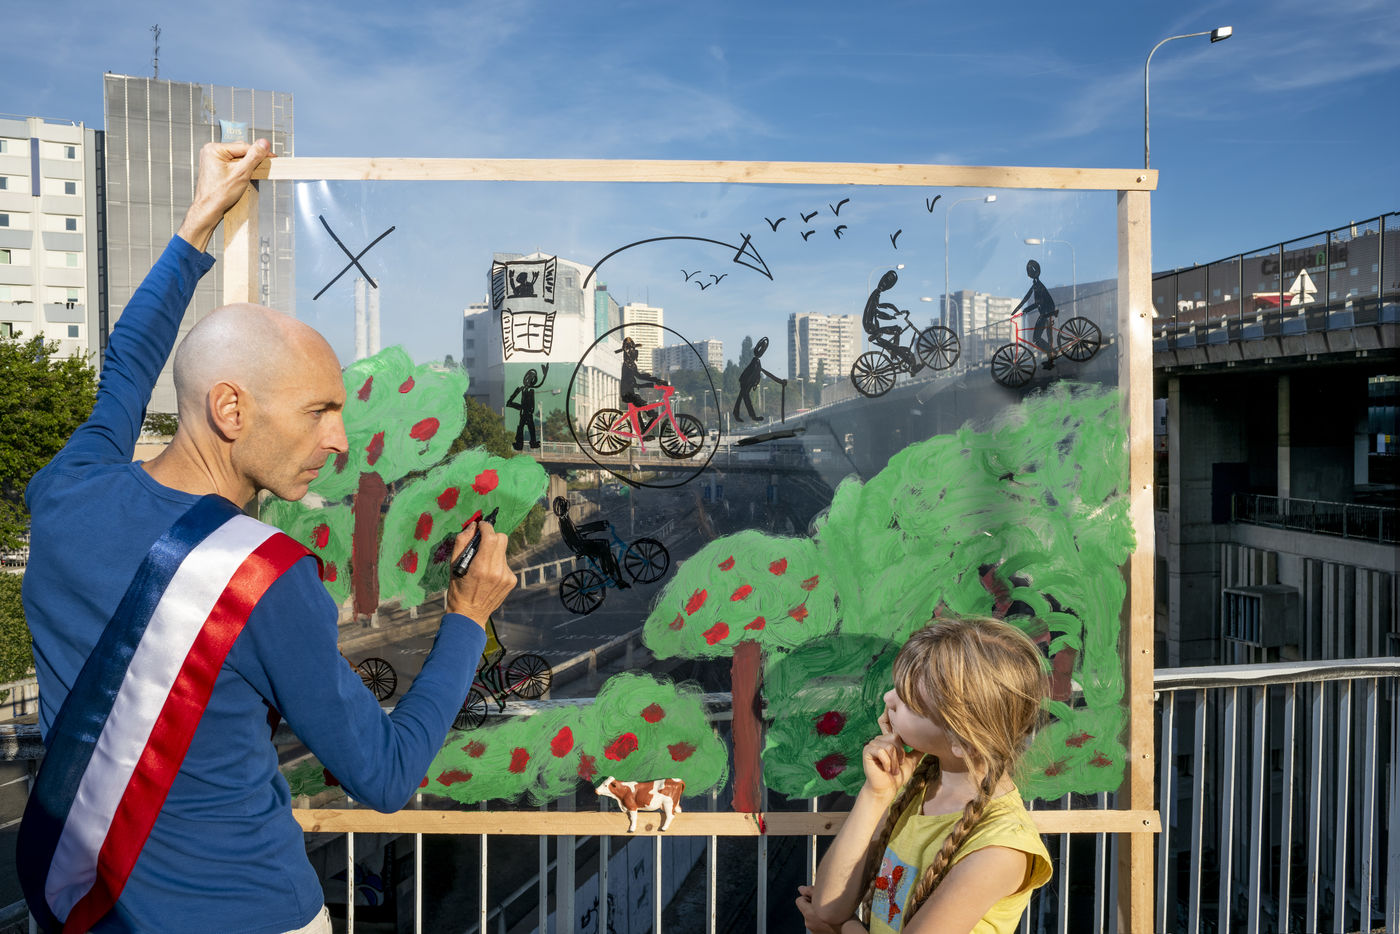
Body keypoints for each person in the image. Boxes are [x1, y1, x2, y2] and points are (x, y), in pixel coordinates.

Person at [18, 140, 517, 934]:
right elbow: (386, 775)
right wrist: (467, 617)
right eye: (320, 411)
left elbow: (125, 369)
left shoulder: (66, 490)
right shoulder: (266, 579)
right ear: (231, 410)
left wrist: (197, 225)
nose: (341, 440)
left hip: (80, 908)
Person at [795, 618, 1052, 934]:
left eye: (908, 701)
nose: (888, 699)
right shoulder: (916, 782)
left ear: (963, 739)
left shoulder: (1000, 848)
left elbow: (830, 917)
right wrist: (876, 796)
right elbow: (828, 906)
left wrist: (841, 929)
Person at [552, 495, 629, 589]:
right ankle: (612, 574)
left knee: (603, 544)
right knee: (604, 544)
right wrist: (599, 526)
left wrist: (599, 526)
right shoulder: (565, 521)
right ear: (564, 507)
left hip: (579, 544)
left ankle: (608, 571)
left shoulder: (563, 520)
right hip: (582, 545)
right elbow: (576, 533)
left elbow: (577, 530)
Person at [862, 269, 919, 373]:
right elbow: (878, 311)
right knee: (897, 330)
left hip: (871, 326)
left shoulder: (876, 294)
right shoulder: (876, 294)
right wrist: (891, 316)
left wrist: (894, 312)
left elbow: (879, 310)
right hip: (870, 327)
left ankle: (895, 351)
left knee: (897, 330)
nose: (886, 287)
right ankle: (897, 352)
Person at [1012, 259, 1058, 365]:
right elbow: (1026, 298)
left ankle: (1052, 353)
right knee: (1048, 336)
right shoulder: (1036, 284)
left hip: (1046, 313)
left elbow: (1037, 303)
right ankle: (1051, 357)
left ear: (1031, 273)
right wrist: (1015, 311)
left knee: (1037, 338)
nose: (1028, 274)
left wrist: (1026, 310)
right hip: (1047, 312)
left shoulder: (1038, 285)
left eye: (1028, 271)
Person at [732, 335, 786, 423]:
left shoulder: (756, 362)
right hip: (746, 382)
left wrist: (780, 381)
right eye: (762, 349)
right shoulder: (755, 362)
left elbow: (762, 372)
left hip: (746, 382)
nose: (763, 351)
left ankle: (739, 414)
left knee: (743, 397)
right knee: (745, 398)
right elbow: (757, 373)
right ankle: (748, 415)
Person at [505, 363, 548, 450]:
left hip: (527, 412)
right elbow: (511, 402)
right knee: (525, 428)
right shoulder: (523, 390)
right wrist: (521, 406)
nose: (529, 382)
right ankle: (523, 443)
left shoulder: (528, 390)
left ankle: (525, 443)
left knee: (527, 428)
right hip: (526, 412)